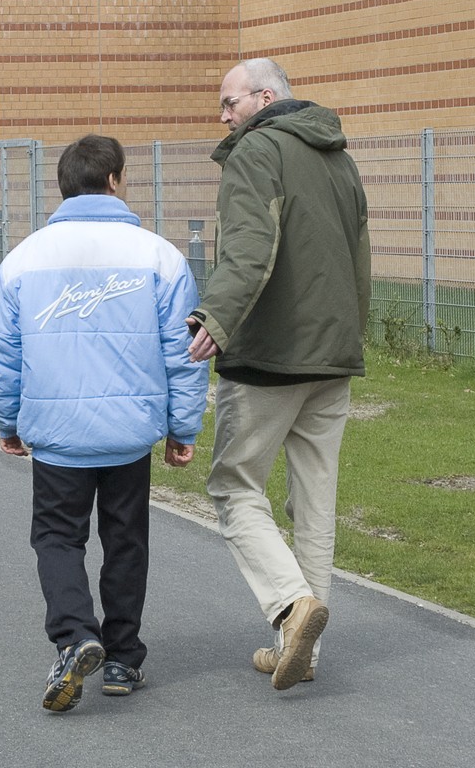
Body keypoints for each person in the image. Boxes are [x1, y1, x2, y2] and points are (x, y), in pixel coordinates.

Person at [0, 133, 208, 713]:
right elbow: (184, 351)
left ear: (62, 187)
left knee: (58, 537)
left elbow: (1, 354)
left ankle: (77, 634)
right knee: (126, 539)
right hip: (128, 432)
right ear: (114, 181)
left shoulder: (24, 259)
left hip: (58, 437)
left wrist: (6, 420)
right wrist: (183, 428)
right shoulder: (159, 256)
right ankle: (124, 659)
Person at [186, 58, 370, 691]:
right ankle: (303, 650)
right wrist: (350, 334)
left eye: (229, 102)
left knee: (234, 486)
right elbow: (358, 256)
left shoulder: (255, 151)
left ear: (265, 97)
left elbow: (248, 245)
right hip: (333, 355)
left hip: (271, 355)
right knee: (315, 503)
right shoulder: (337, 156)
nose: (223, 115)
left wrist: (217, 315)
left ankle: (291, 608)